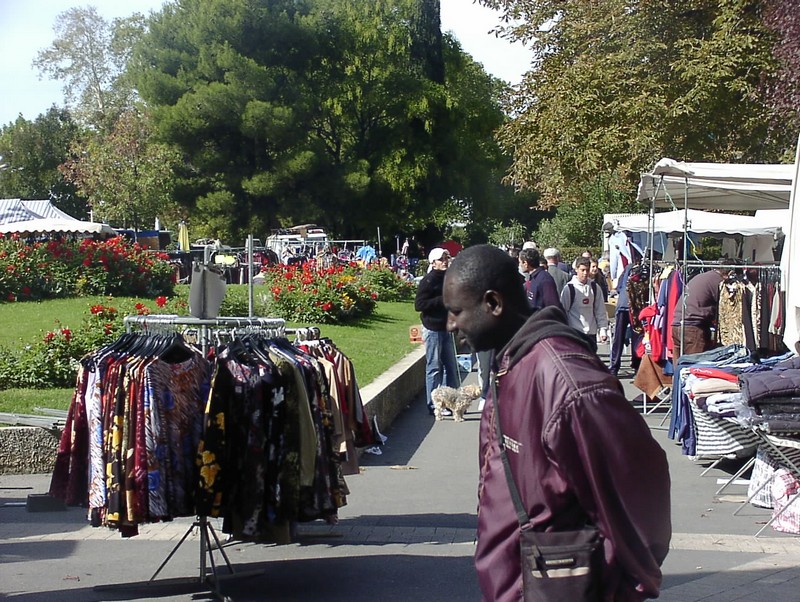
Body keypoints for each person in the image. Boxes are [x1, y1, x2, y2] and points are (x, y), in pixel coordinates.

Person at [442, 245, 671, 602]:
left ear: (493, 304)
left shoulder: (568, 383)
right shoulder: (513, 364)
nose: (450, 325)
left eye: (456, 312)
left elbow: (642, 493)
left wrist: (622, 588)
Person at [415, 247, 459, 416]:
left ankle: (451, 401)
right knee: (434, 367)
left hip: (446, 327)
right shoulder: (428, 280)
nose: (445, 261)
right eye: (442, 259)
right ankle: (434, 404)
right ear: (433, 263)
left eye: (446, 258)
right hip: (432, 328)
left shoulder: (448, 278)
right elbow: (419, 305)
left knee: (450, 366)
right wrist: (442, 300)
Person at [671, 262, 729, 366]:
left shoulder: (703, 277)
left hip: (677, 323)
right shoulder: (719, 282)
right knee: (695, 366)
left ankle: (676, 381)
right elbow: (725, 307)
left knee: (680, 366)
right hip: (692, 327)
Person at [561, 256, 609, 343]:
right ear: (576, 269)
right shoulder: (569, 288)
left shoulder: (594, 287)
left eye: (587, 270)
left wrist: (603, 330)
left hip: (591, 332)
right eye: (582, 270)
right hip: (575, 332)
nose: (585, 273)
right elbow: (563, 311)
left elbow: (600, 310)